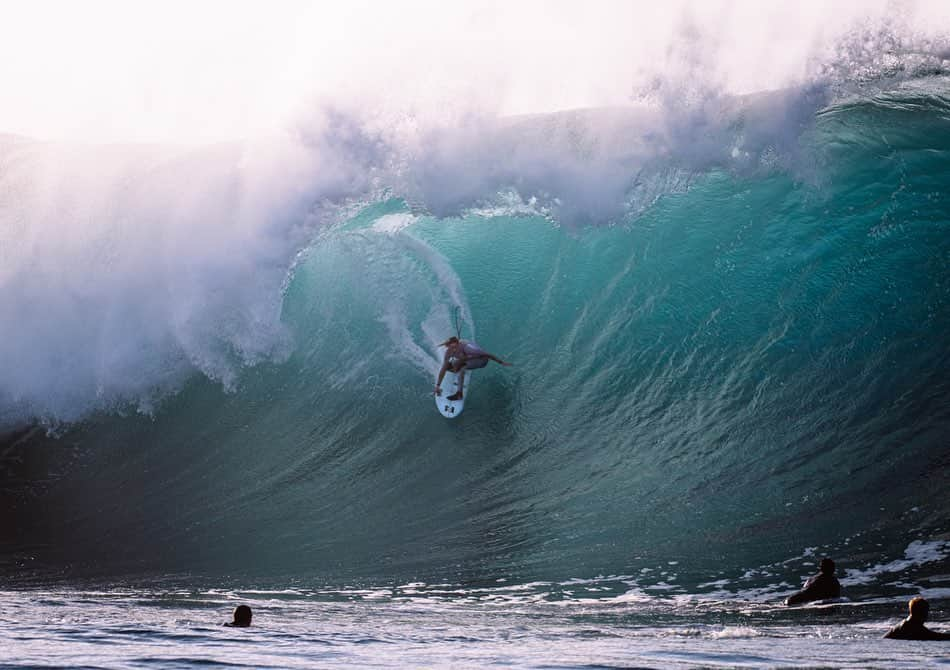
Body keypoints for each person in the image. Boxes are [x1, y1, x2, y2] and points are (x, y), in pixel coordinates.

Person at [435, 336, 512, 401]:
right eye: (450, 347)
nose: (453, 349)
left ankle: (459, 394)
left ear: (458, 343)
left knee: (462, 368)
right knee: (449, 366)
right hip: (467, 359)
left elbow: (486, 354)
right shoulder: (448, 352)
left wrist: (501, 362)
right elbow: (443, 368)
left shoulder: (468, 348)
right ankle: (459, 366)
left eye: (454, 347)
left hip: (481, 361)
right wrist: (438, 385)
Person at [885, 597, 950, 640]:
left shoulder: (907, 623)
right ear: (920, 612)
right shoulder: (911, 627)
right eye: (926, 611)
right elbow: (933, 636)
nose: (927, 615)